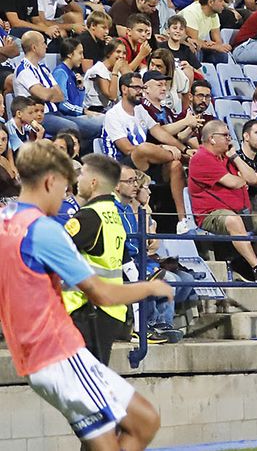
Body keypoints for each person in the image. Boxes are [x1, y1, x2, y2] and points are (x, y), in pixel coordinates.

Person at [0, 141, 172, 449]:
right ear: (50, 181)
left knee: (120, 434)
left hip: (35, 357)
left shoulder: (6, 219)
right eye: (64, 187)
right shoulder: (44, 230)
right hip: (59, 352)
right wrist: (150, 287)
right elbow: (101, 293)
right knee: (144, 421)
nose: (65, 197)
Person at [62, 154, 131, 364]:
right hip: (108, 310)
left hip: (88, 312)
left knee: (81, 379)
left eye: (82, 174)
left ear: (93, 182)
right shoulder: (112, 214)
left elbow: (55, 252)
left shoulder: (89, 216)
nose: (77, 179)